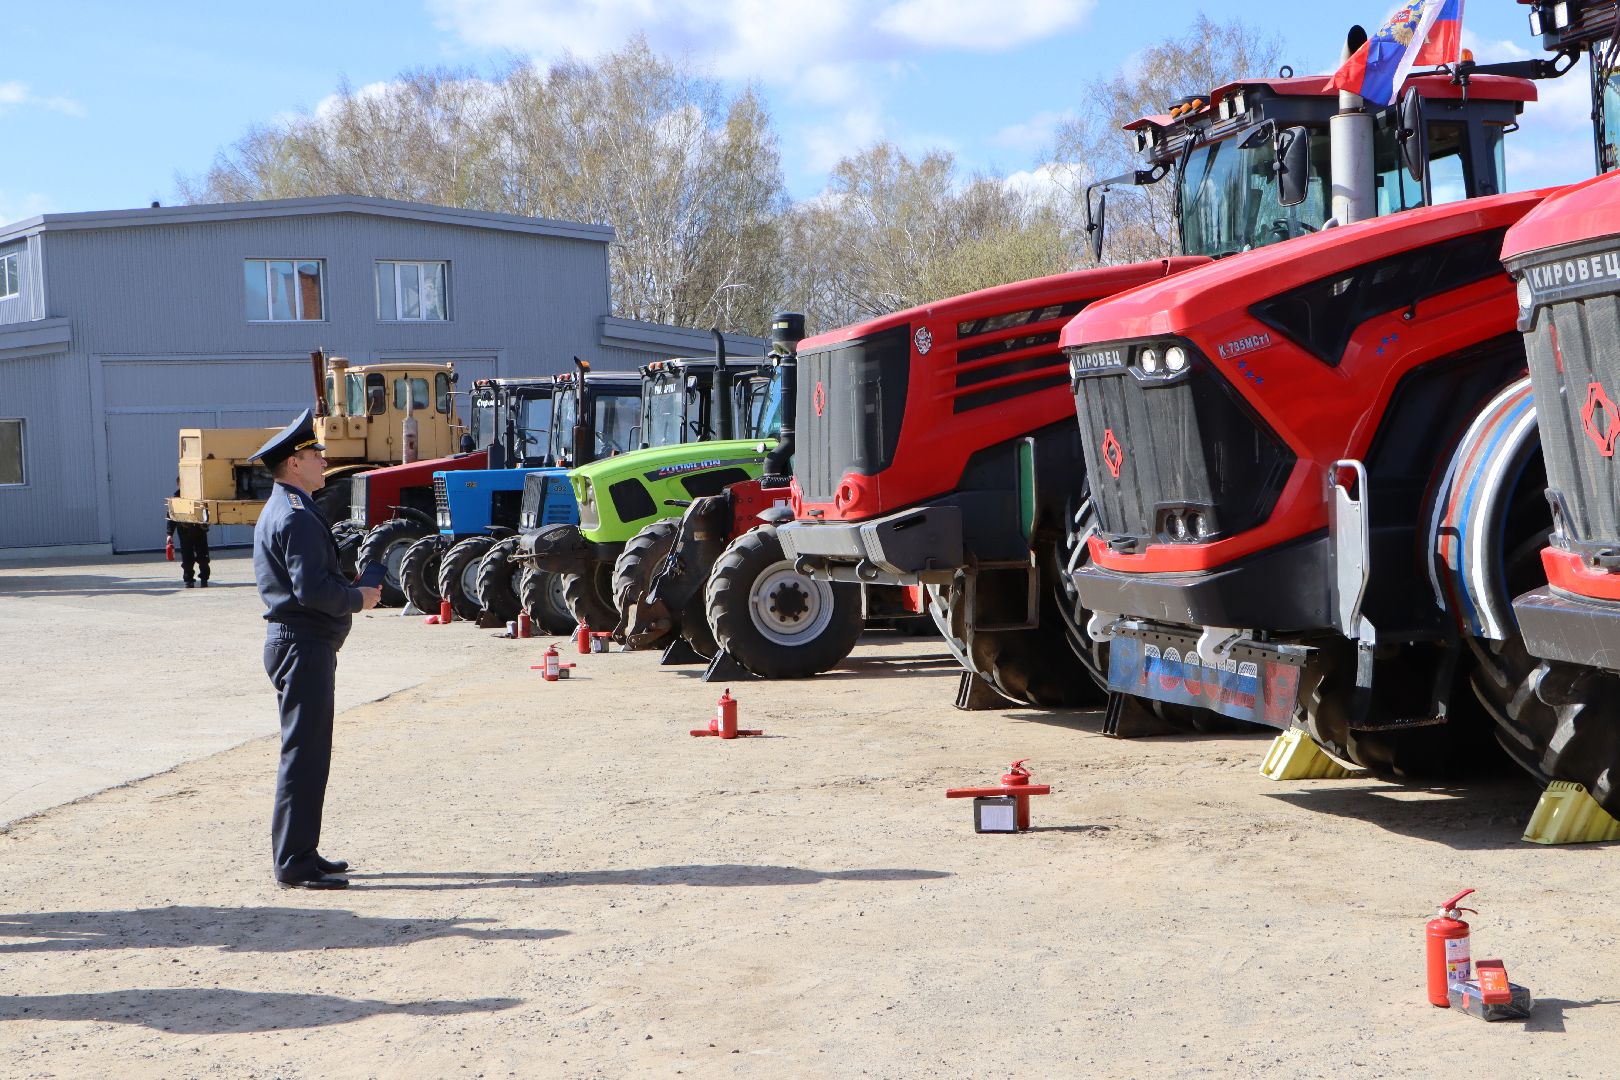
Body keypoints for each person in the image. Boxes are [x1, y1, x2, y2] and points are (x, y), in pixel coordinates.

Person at [251, 410, 382, 889]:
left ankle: (302, 850)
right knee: (304, 756)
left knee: (307, 754)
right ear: (293, 463)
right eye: (313, 455)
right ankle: (294, 863)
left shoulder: (288, 508)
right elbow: (312, 591)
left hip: (298, 643)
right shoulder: (296, 515)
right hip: (302, 644)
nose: (322, 461)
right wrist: (358, 598)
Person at [166, 483, 211, 588]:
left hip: (199, 532)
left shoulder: (200, 497)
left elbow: (207, 512)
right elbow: (171, 517)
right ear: (178, 485)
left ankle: (204, 579)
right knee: (187, 559)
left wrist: (206, 524)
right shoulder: (176, 499)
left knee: (203, 558)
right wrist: (169, 534)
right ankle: (188, 580)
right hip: (184, 533)